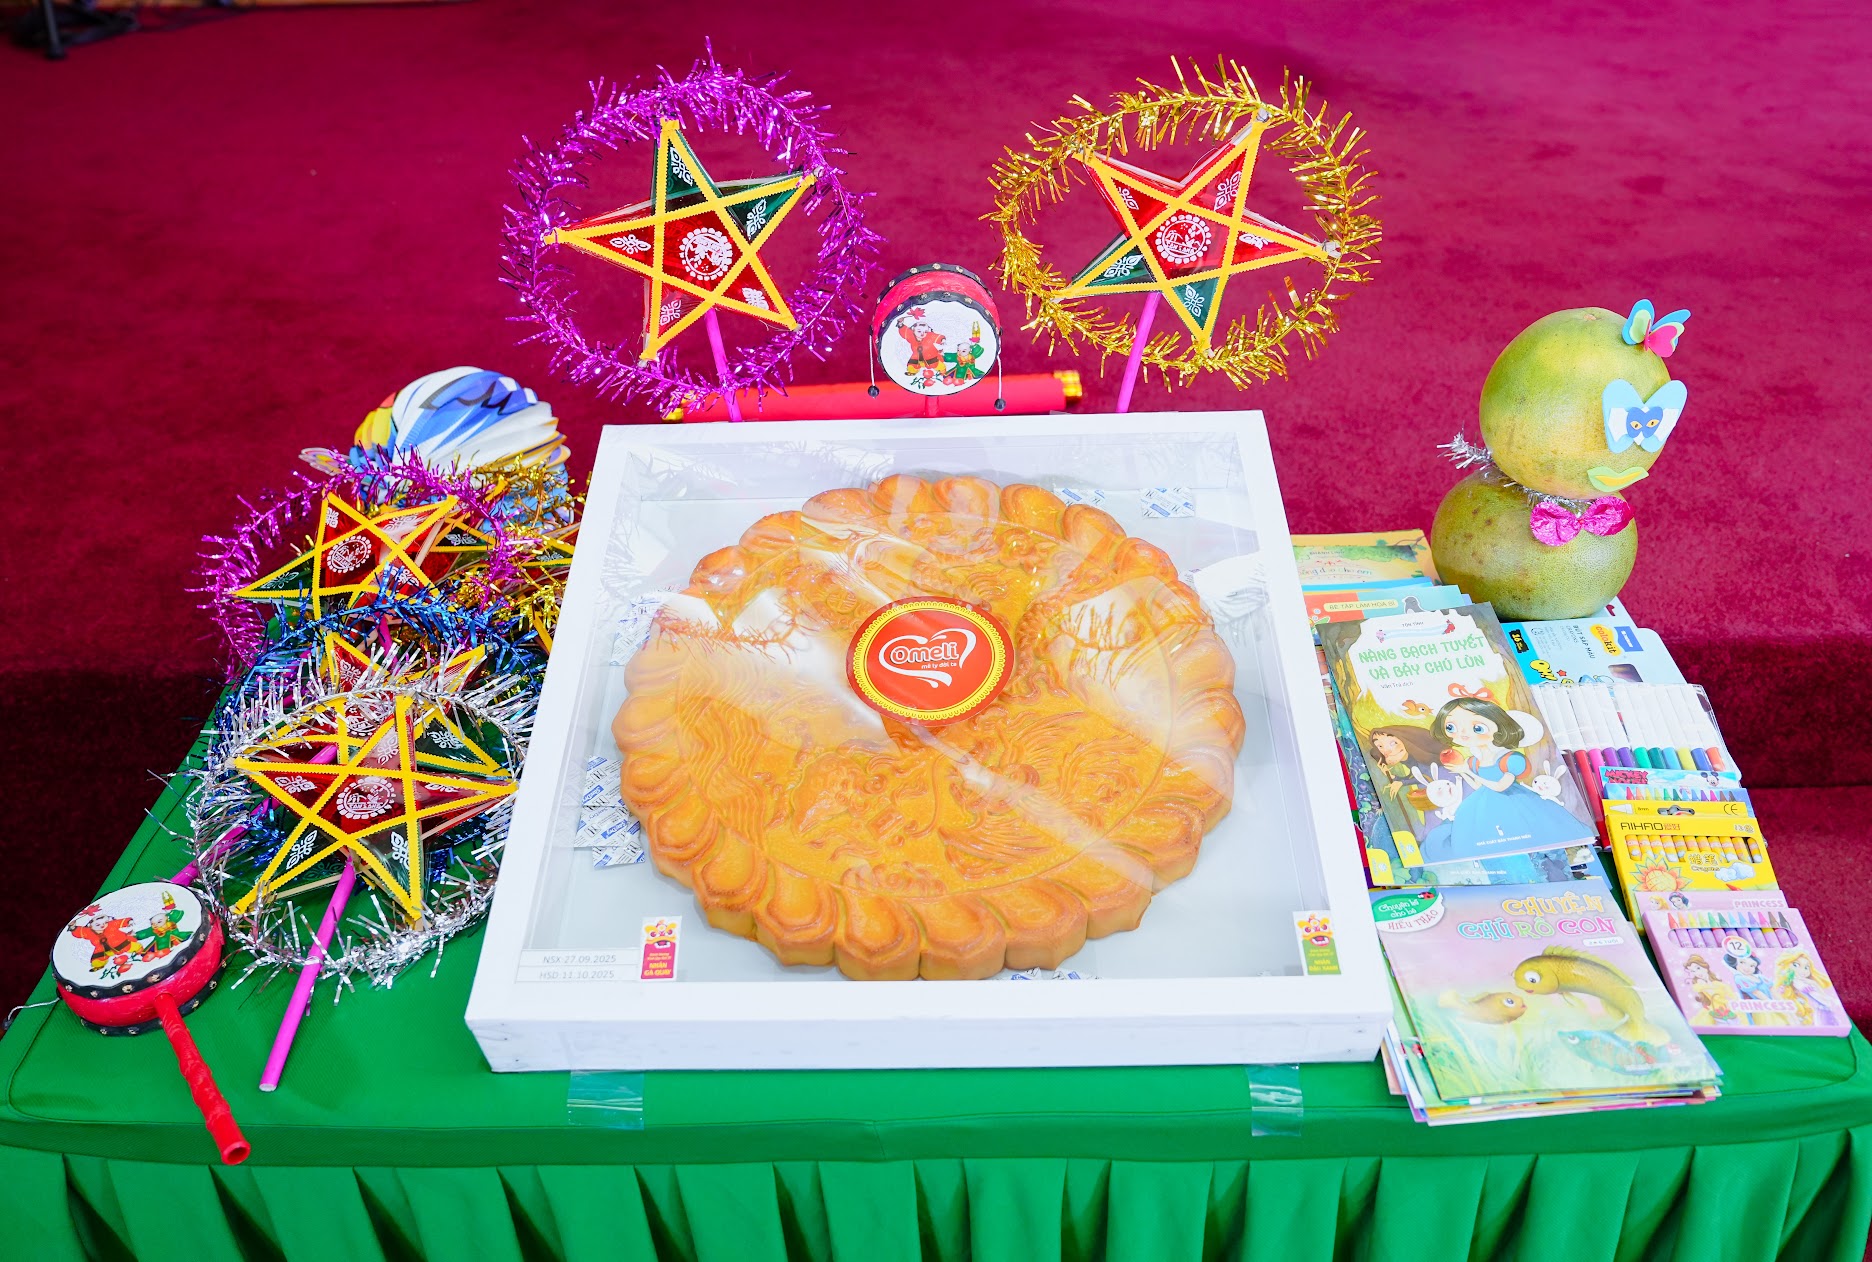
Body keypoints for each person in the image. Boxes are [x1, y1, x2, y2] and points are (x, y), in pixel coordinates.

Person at [1415, 697, 1590, 864]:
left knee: (1531, 834)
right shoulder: (1474, 761)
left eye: (1477, 728)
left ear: (1499, 726)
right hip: (1484, 802)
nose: (1463, 734)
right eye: (1451, 727)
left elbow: (1500, 787)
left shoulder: (1509, 758)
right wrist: (1465, 771)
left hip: (1513, 800)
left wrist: (1467, 771)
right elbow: (1478, 785)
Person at [1775, 952, 1842, 1027]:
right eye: (1796, 965)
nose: (1802, 970)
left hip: (1825, 1010)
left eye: (1806, 967)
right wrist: (1830, 1002)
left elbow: (1822, 996)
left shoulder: (1807, 982)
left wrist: (1814, 983)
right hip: (1822, 1011)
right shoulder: (1797, 983)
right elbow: (1819, 998)